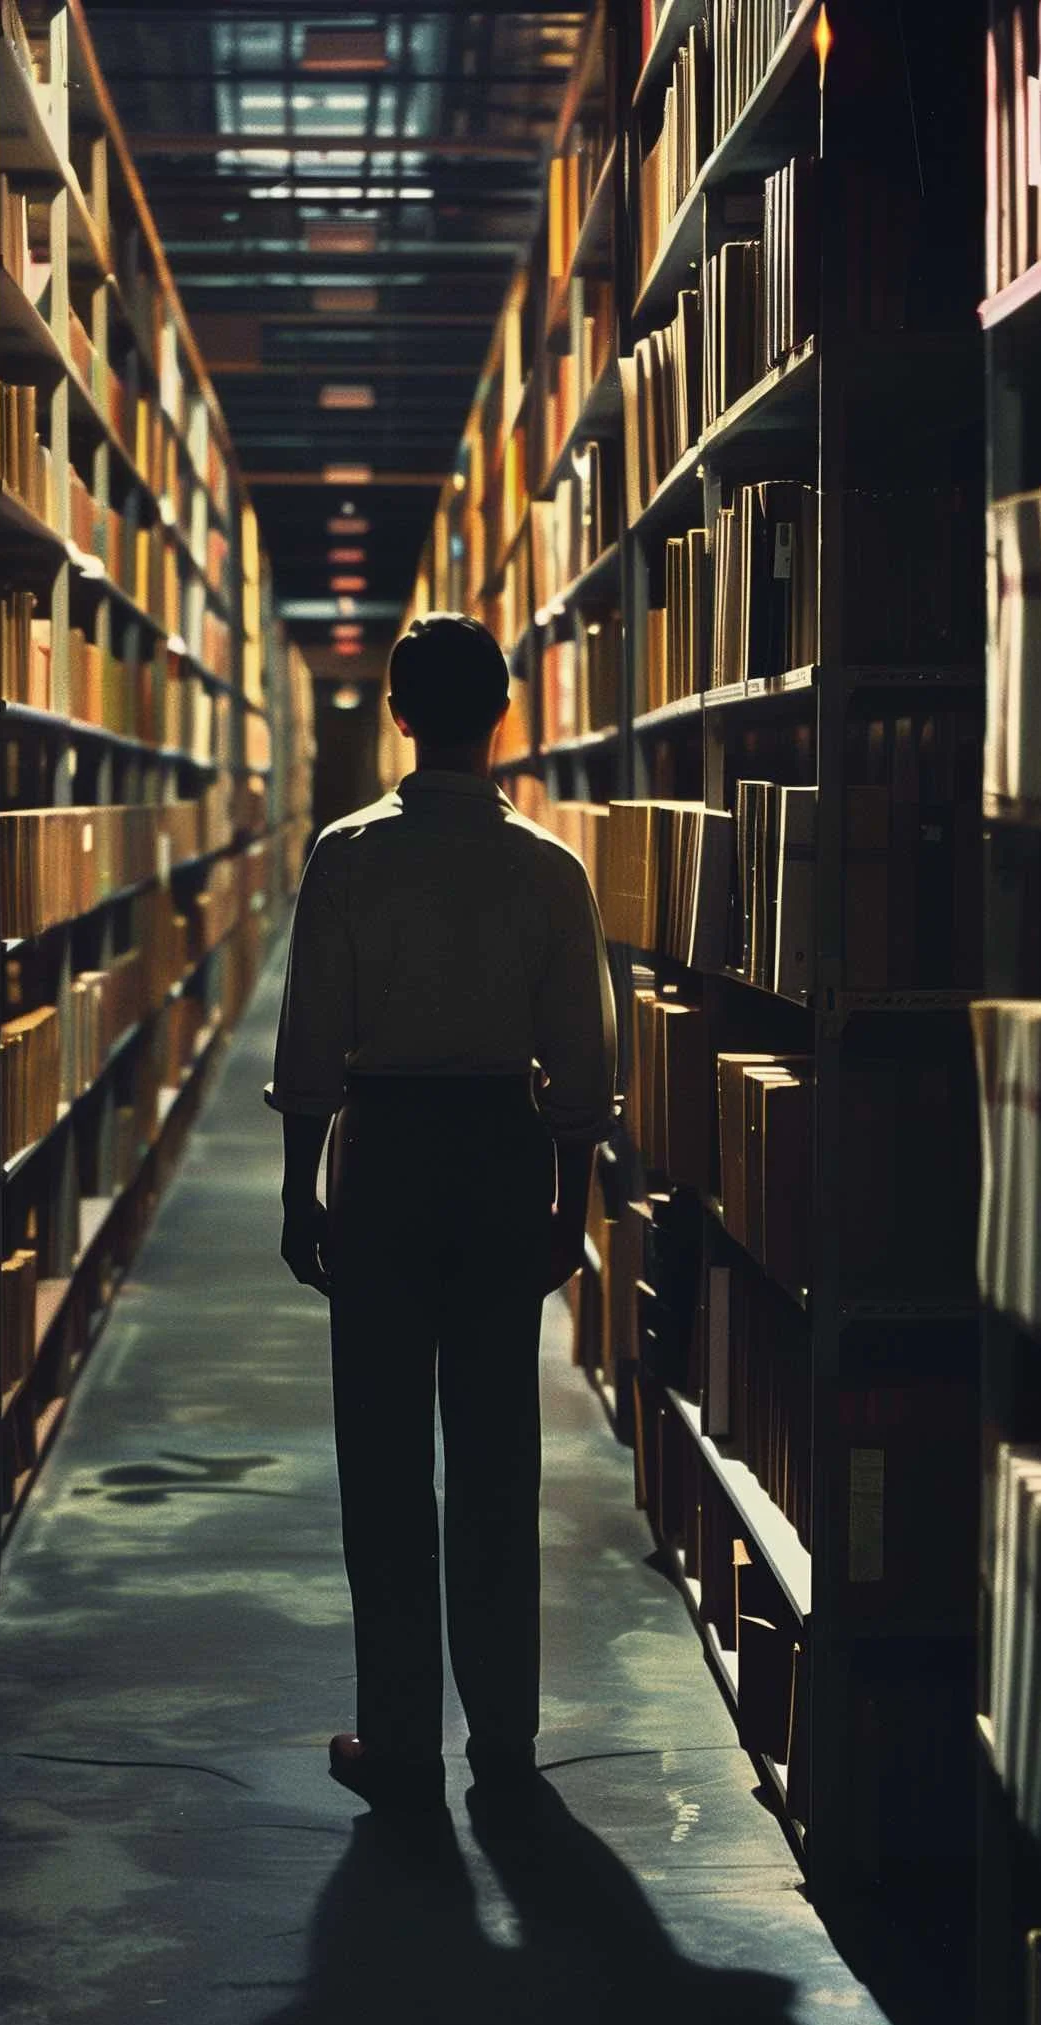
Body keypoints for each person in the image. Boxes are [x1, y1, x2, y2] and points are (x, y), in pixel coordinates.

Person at [265, 611, 618, 1811]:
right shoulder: (548, 866)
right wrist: (567, 1208)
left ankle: (399, 1737)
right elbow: (581, 1065)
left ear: (397, 716)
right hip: (498, 1154)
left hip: (386, 1151)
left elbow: (311, 1037)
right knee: (494, 1455)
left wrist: (297, 1181)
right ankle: (505, 1739)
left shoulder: (347, 855)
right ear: (504, 713)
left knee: (380, 1456)